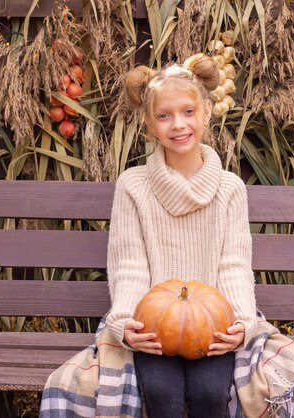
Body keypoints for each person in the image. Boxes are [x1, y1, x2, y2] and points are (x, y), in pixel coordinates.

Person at [106, 53, 257, 418]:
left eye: (188, 112)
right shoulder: (133, 186)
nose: (178, 124)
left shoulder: (230, 188)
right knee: (159, 393)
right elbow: (130, 264)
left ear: (206, 112)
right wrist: (124, 321)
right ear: (148, 122)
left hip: (215, 321)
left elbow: (233, 264)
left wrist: (243, 323)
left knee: (209, 393)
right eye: (164, 115)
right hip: (152, 322)